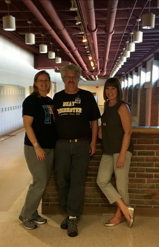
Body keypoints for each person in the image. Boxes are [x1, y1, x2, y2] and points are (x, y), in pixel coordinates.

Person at [53, 64, 101, 237]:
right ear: (63, 79)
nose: (71, 79)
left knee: (78, 181)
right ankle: (69, 211)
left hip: (82, 145)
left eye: (74, 76)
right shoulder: (57, 98)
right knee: (62, 180)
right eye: (68, 77)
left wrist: (93, 142)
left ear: (78, 78)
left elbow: (95, 121)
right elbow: (51, 121)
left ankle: (72, 217)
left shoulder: (87, 97)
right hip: (61, 145)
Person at [19, 70, 57, 230]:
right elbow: (27, 125)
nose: (43, 83)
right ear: (35, 83)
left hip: (50, 147)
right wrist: (37, 147)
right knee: (39, 182)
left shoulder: (49, 101)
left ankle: (33, 212)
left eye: (46, 80)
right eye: (40, 80)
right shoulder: (30, 101)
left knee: (42, 182)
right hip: (35, 148)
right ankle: (25, 214)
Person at [97, 77, 134, 228]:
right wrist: (101, 129)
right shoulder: (107, 105)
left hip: (121, 150)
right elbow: (107, 124)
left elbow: (128, 132)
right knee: (102, 180)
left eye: (113, 88)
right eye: (107, 88)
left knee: (121, 185)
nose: (110, 91)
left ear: (118, 90)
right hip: (108, 149)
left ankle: (119, 215)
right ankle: (126, 208)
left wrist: (123, 155)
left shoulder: (122, 106)